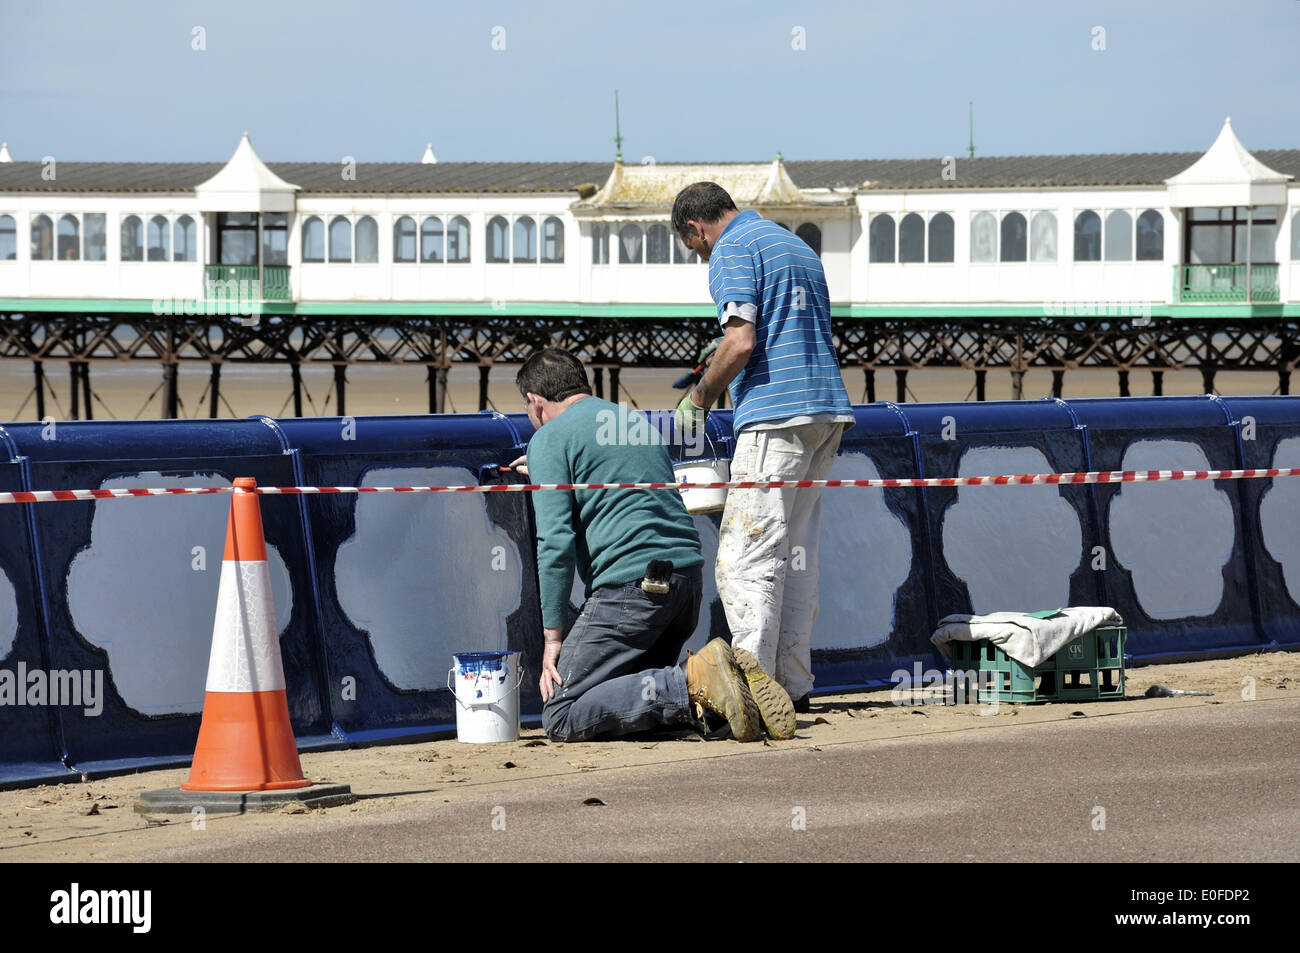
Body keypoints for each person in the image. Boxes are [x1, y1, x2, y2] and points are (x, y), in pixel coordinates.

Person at [512, 347, 764, 742]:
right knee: (628, 694)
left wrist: (552, 638)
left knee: (562, 713)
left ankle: (690, 680)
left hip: (631, 596)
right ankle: (715, 697)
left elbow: (555, 543)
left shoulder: (548, 439)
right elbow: (607, 468)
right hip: (684, 587)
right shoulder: (631, 421)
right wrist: (544, 466)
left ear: (535, 402)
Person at [672, 181, 856, 718]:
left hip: (776, 417)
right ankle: (794, 684)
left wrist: (701, 396)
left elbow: (743, 340)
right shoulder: (792, 244)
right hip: (826, 412)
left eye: (695, 248)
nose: (701, 255)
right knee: (796, 555)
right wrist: (725, 353)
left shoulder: (729, 248)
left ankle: (751, 689)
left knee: (744, 557)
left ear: (695, 228)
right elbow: (785, 330)